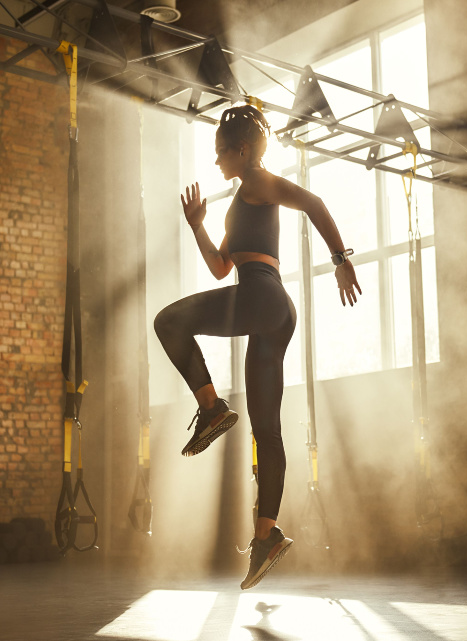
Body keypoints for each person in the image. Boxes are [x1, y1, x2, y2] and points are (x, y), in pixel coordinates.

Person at [153, 104, 361, 590]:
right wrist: (198, 225)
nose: (217, 162)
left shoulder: (259, 182)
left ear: (242, 150)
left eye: (220, 153)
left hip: (263, 296)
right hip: (272, 312)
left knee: (168, 322)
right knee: (266, 431)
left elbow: (313, 202)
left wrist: (340, 259)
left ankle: (210, 408)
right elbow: (221, 267)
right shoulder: (239, 200)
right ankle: (266, 536)